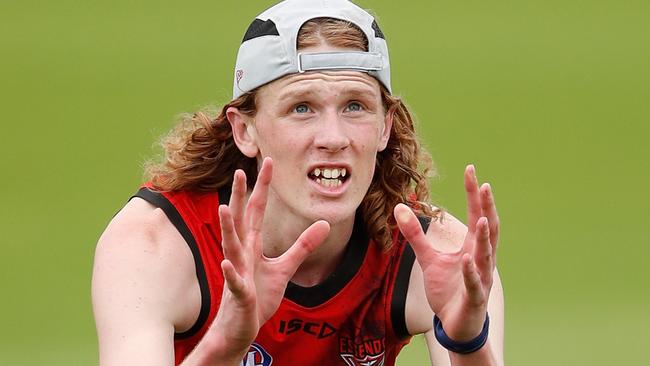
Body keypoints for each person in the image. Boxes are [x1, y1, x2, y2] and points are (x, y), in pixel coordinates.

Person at [92, 0, 505, 365]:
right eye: (302, 107)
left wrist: (469, 342)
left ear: (385, 128)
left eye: (355, 106)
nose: (333, 137)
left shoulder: (439, 256)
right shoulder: (157, 244)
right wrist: (227, 342)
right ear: (245, 130)